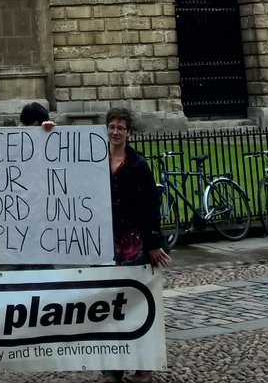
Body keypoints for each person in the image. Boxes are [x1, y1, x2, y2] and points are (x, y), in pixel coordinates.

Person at [103, 106, 171, 383]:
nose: (116, 131)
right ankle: (112, 369)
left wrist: (154, 243)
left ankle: (143, 366)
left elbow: (151, 207)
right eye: (112, 126)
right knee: (107, 306)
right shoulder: (94, 159)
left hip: (133, 244)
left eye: (121, 127)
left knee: (136, 307)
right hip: (106, 245)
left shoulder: (138, 165)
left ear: (129, 132)